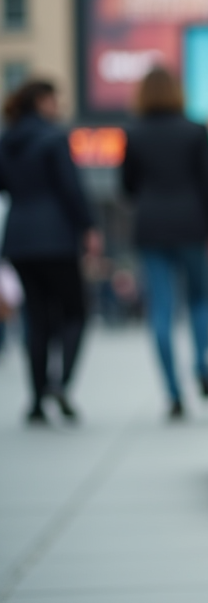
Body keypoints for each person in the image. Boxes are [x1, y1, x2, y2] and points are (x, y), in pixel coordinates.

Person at [121, 67, 208, 420]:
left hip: (152, 227)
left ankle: (172, 393)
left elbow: (127, 187)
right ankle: (202, 371)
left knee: (161, 310)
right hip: (192, 225)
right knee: (199, 299)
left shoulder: (134, 134)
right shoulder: (194, 130)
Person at [0, 80, 101, 425]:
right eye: (54, 100)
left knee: (36, 318)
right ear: (42, 102)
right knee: (76, 311)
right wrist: (88, 227)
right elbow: (70, 189)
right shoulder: (53, 139)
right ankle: (61, 383)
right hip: (56, 237)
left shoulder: (7, 140)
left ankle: (36, 398)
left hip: (19, 238)